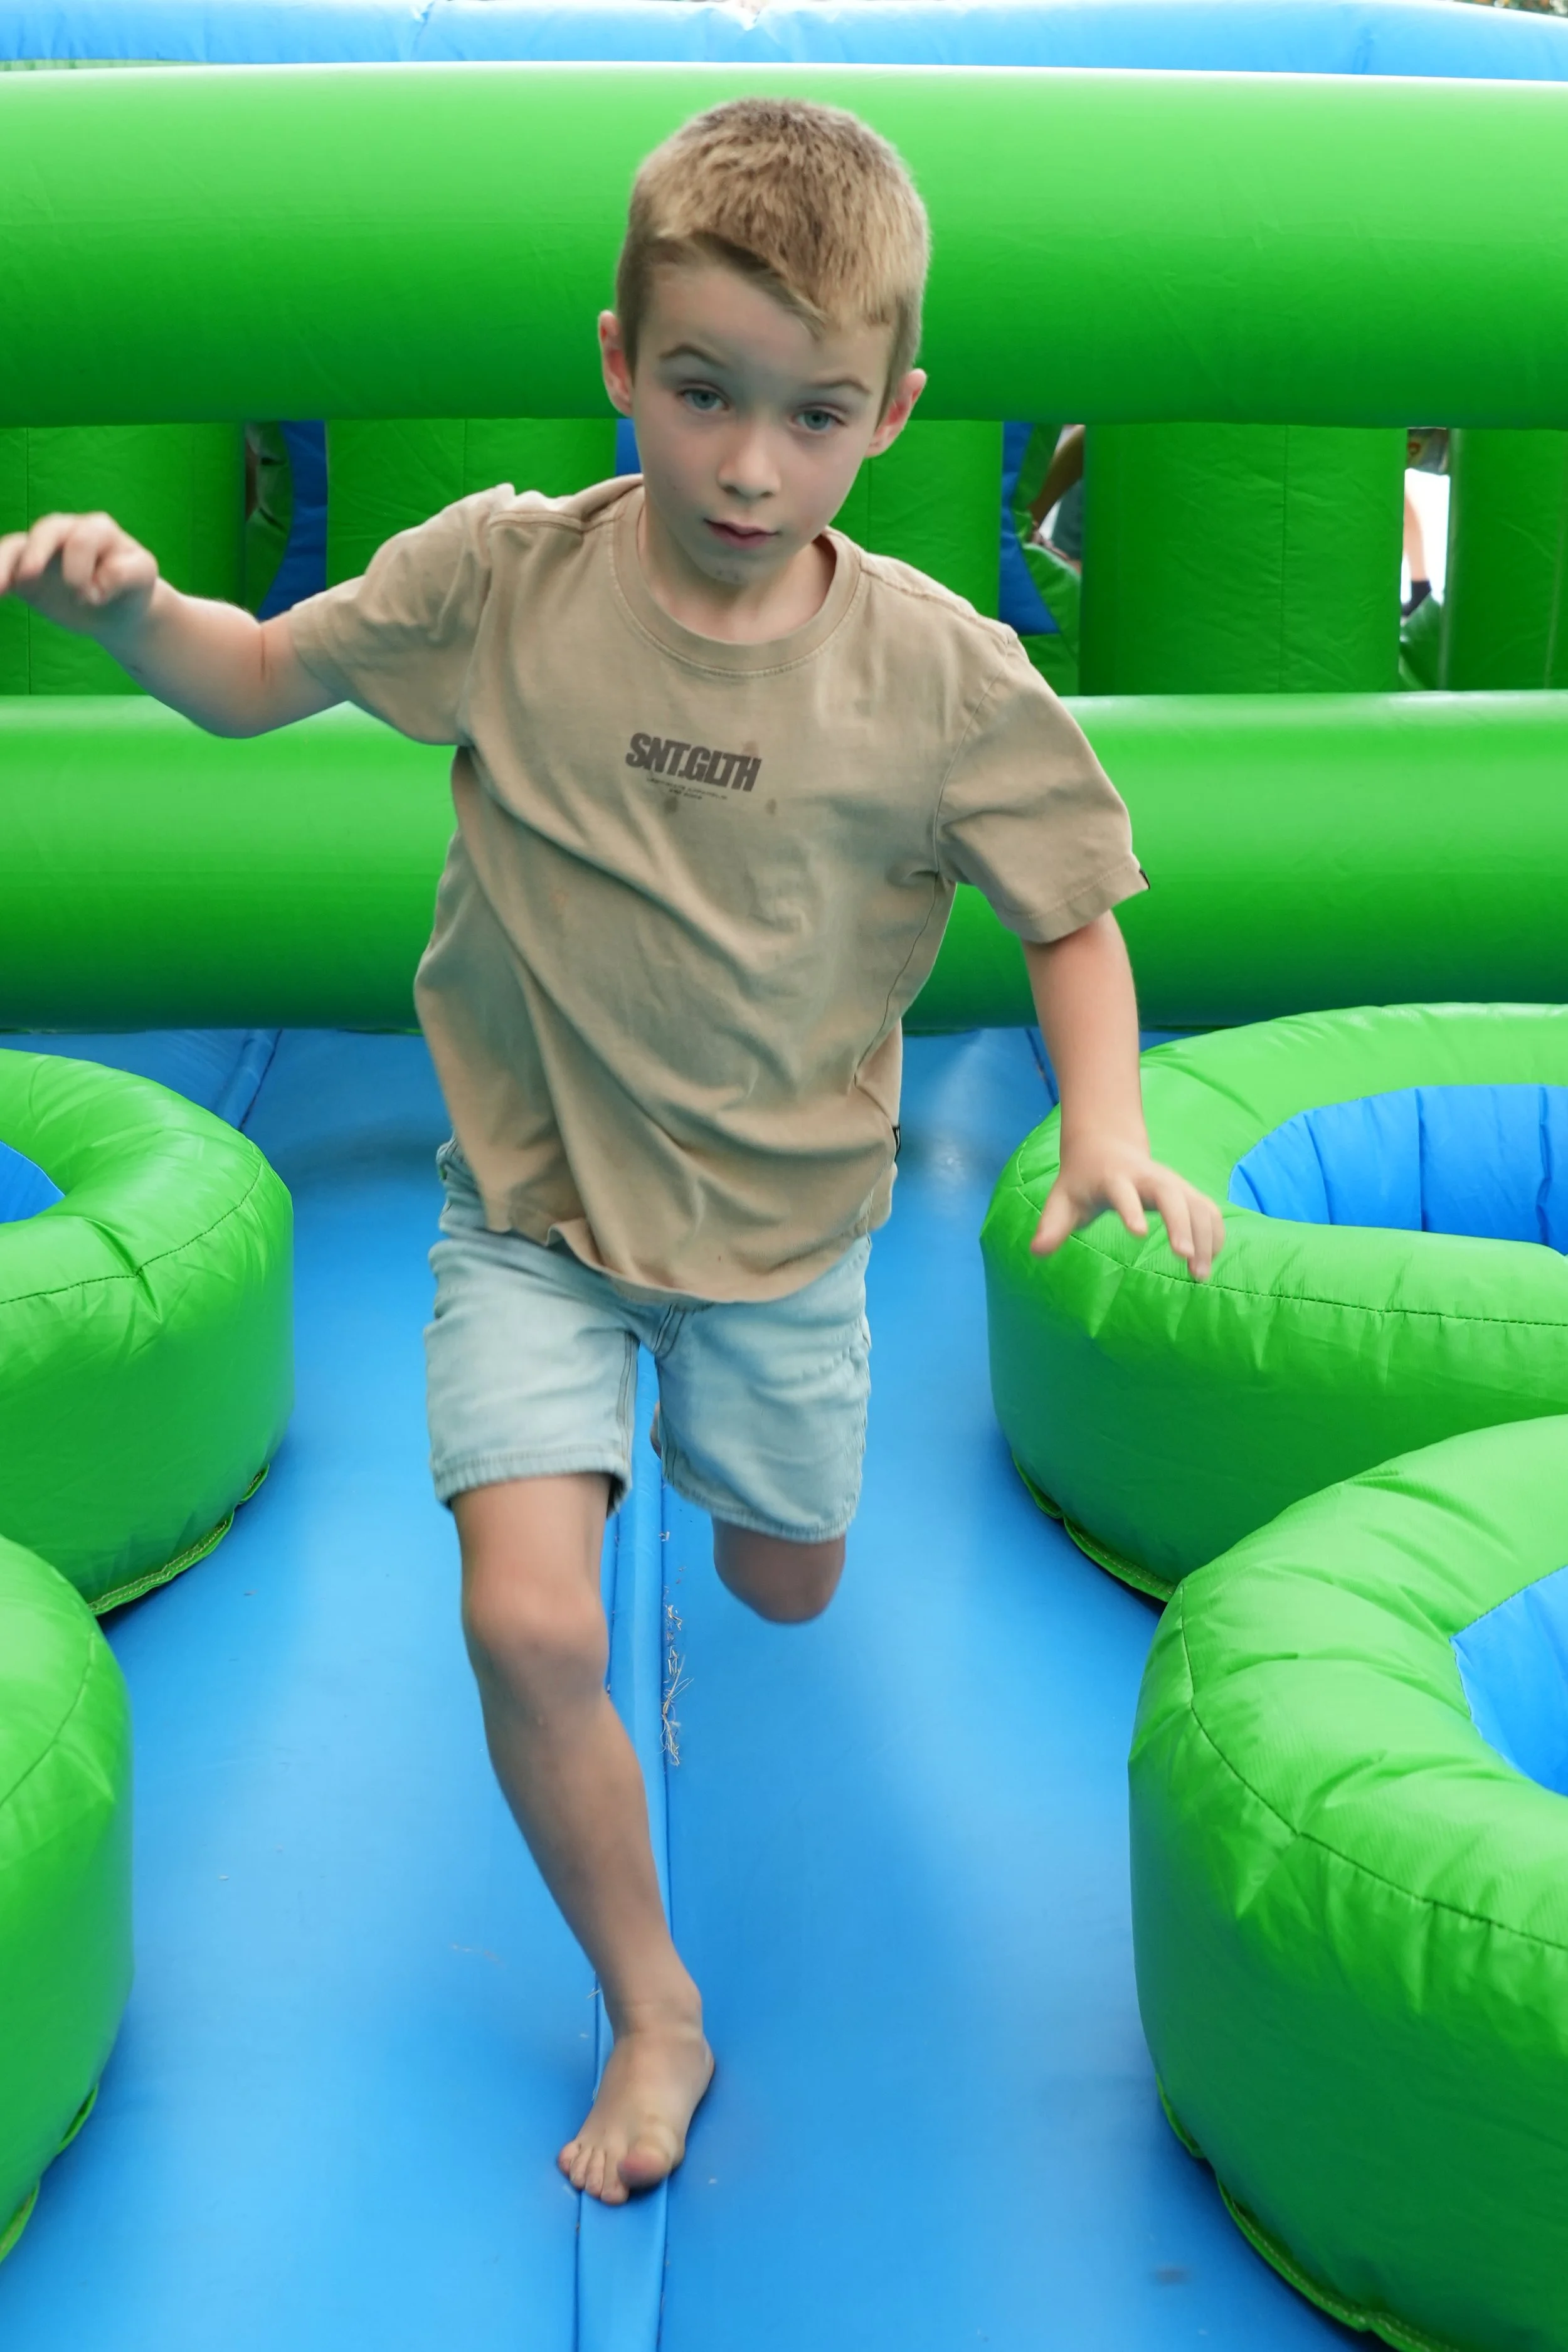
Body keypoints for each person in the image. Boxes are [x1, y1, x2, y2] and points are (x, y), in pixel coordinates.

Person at [0, 97, 1225, 2208]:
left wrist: (1099, 1117)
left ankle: (737, 1502)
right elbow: (260, 675)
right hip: (532, 1214)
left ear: (894, 415)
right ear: (617, 362)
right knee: (530, 1620)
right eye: (701, 392)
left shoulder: (938, 675)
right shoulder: (502, 578)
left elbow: (1070, 917)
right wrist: (128, 615)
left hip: (780, 1244)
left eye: (814, 415)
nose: (749, 464)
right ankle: (651, 1996)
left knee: (785, 1574)